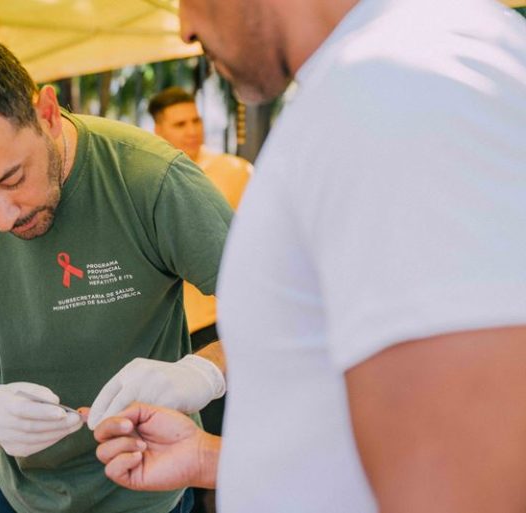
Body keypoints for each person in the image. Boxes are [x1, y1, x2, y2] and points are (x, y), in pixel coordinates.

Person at [94, 0, 526, 512]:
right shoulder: (379, 77)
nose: (185, 28)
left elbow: (464, 476)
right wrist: (215, 459)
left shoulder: (398, 80)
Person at [0, 28, 231, 513]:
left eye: (11, 178)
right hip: (20, 495)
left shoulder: (154, 179)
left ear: (46, 114)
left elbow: (283, 321)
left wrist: (201, 373)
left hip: (155, 495)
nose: (2, 218)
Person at [148, 86, 251, 513]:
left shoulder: (232, 171)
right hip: (170, 334)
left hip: (219, 325)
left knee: (226, 435)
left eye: (195, 120)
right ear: (158, 129)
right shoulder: (148, 176)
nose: (191, 130)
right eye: (179, 123)